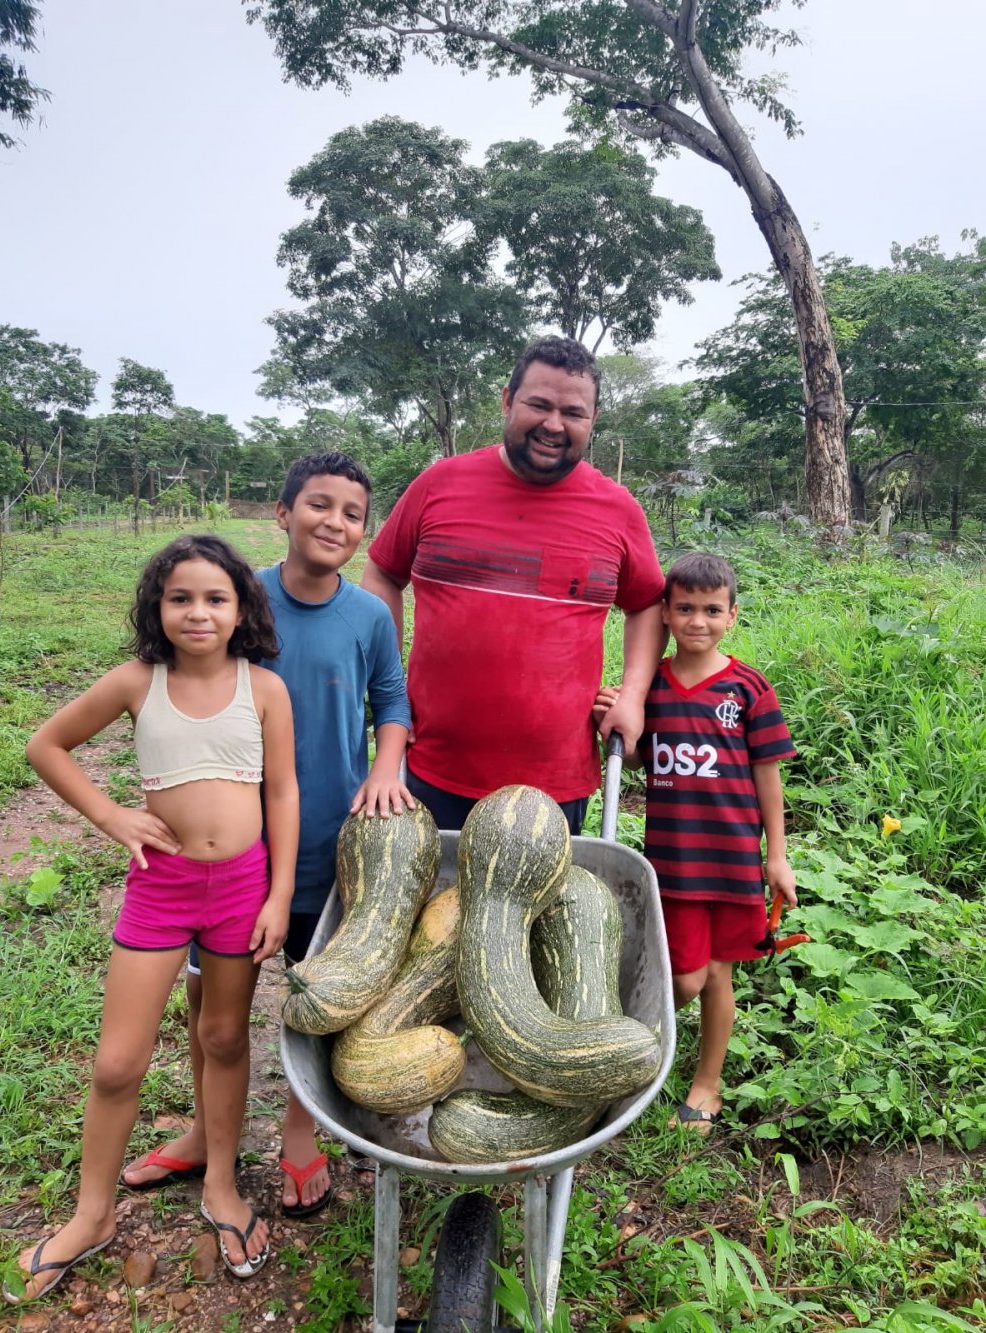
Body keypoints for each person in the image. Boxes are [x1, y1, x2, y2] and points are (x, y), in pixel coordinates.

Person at [5, 536, 298, 1304]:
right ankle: (91, 1213)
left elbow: (282, 793)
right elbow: (46, 745)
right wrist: (113, 816)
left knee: (224, 1036)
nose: (198, 612)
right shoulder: (138, 680)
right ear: (156, 606)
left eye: (215, 598)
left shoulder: (265, 688)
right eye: (180, 597)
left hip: (241, 888)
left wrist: (278, 895)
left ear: (242, 608)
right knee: (116, 1062)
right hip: (160, 888)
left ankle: (222, 1183)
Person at [121, 453, 412, 1218]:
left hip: (329, 843)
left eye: (352, 513)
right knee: (209, 1007)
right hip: (231, 854)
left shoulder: (370, 616)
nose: (334, 522)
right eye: (318, 504)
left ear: (365, 529)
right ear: (282, 513)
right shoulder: (235, 599)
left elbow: (392, 700)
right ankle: (201, 1129)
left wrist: (386, 765)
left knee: (317, 993)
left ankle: (299, 1127)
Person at [361, 335, 666, 833]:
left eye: (573, 412)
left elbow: (649, 604)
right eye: (539, 405)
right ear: (507, 400)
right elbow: (382, 572)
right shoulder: (439, 484)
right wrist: (389, 687)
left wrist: (633, 695)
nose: (554, 424)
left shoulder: (617, 509)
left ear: (593, 419)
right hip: (431, 764)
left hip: (554, 783)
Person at [594, 552, 797, 1133]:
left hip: (732, 862)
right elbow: (638, 760)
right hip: (673, 862)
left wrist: (776, 857)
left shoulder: (748, 688)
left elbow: (767, 775)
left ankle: (707, 1084)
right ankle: (625, 1053)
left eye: (711, 610)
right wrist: (614, 723)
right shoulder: (651, 685)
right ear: (665, 612)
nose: (697, 621)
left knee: (718, 975)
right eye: (685, 609)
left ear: (732, 615)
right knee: (686, 976)